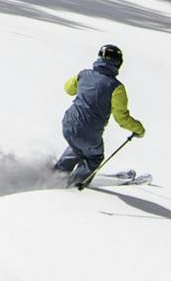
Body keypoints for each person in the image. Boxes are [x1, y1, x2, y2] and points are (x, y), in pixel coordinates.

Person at [54, 42, 143, 187]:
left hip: (68, 124)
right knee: (94, 156)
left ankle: (57, 174)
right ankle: (75, 185)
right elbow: (121, 118)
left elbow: (68, 89)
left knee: (78, 147)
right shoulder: (116, 88)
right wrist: (138, 129)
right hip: (89, 132)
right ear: (118, 63)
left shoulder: (83, 74)